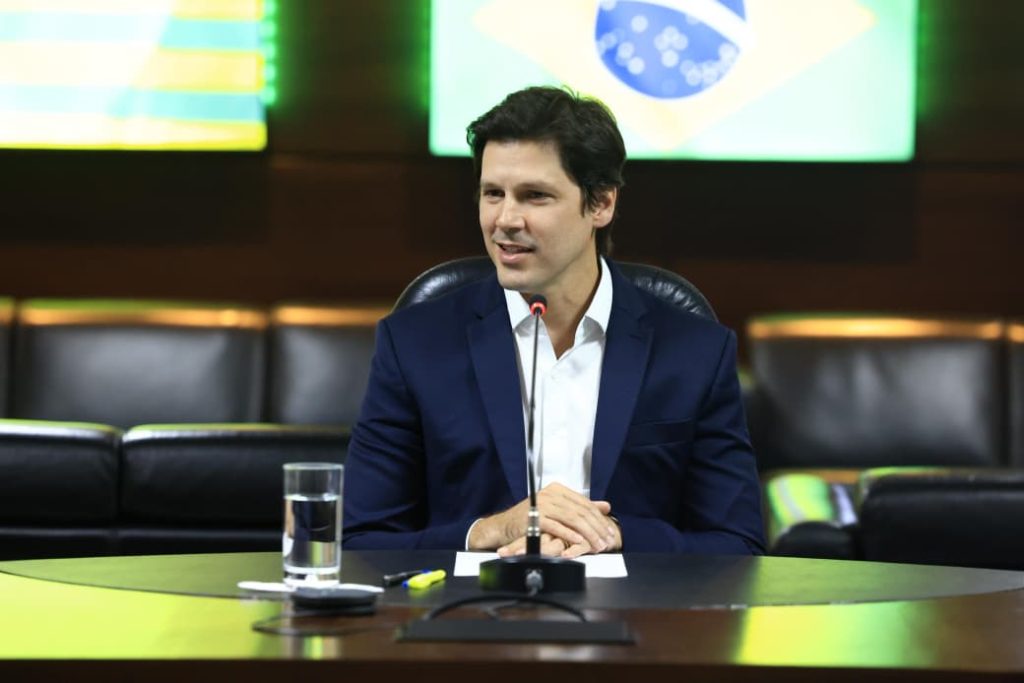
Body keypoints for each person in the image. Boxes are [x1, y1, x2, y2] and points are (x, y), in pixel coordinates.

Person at [343, 86, 764, 557]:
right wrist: (489, 531)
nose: (505, 219)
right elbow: (361, 541)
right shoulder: (415, 344)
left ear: (601, 203)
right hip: (472, 601)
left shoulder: (695, 351)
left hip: (637, 600)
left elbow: (738, 545)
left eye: (534, 196)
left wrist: (615, 535)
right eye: (493, 194)